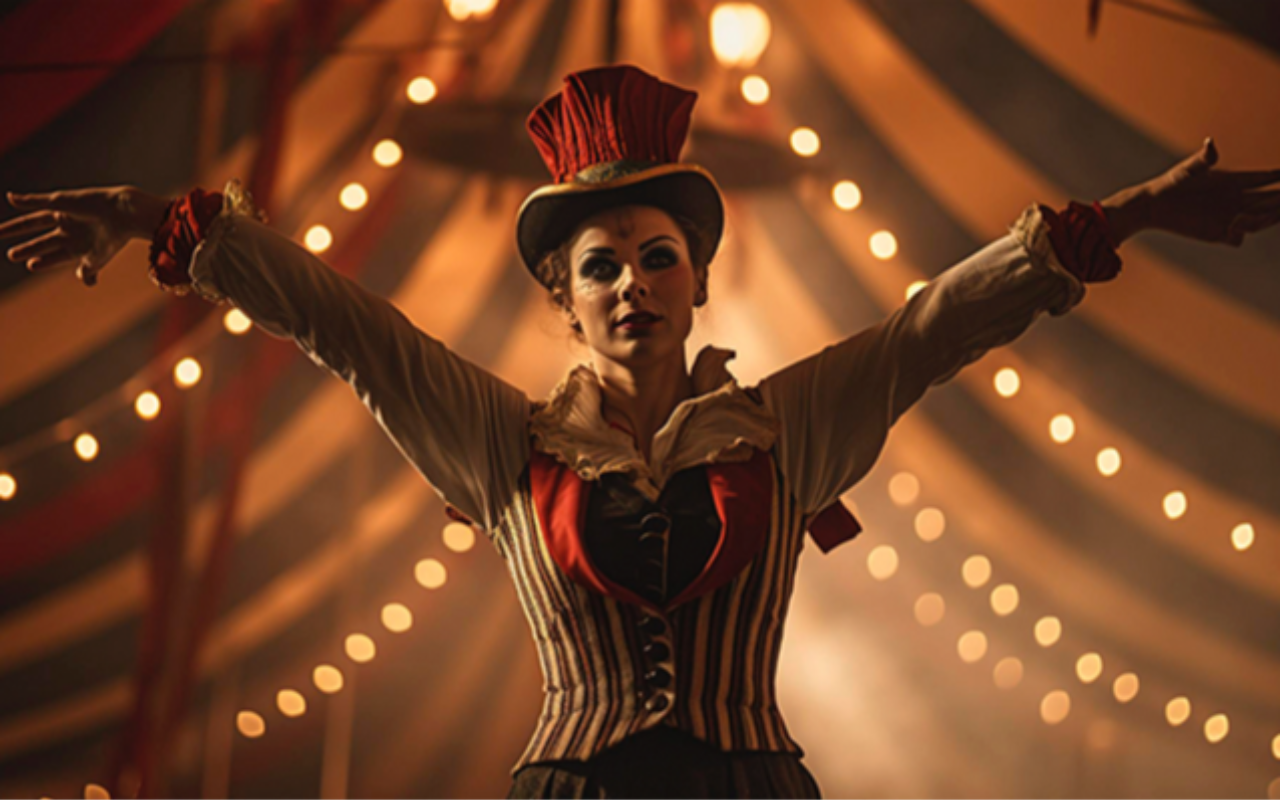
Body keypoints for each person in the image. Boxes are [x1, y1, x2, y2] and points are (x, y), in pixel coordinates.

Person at [3, 64, 1278, 799]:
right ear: (562, 300)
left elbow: (935, 325)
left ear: (697, 280)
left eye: (657, 257)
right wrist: (165, 222)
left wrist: (1128, 215)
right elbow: (348, 327)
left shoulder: (785, 427)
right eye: (600, 265)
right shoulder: (502, 442)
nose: (631, 283)